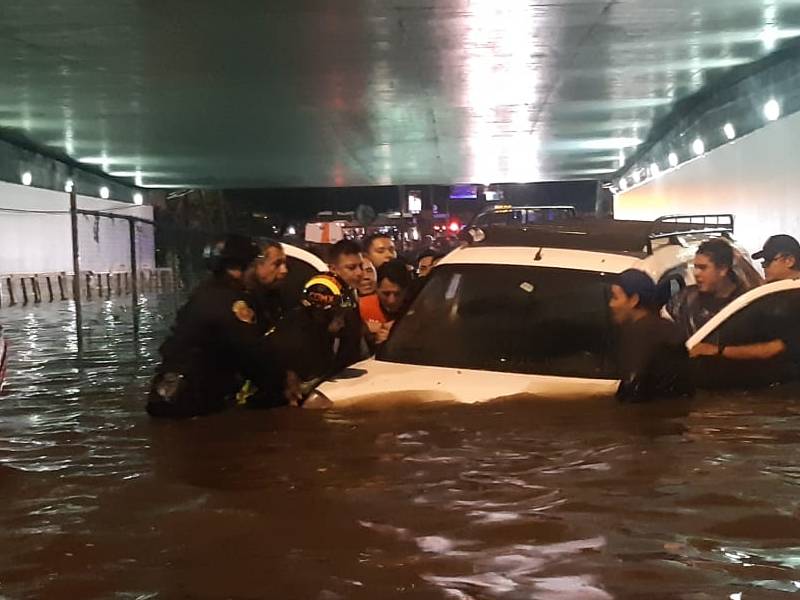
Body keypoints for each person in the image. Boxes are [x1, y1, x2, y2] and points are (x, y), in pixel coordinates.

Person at [147, 234, 296, 418]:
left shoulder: (208, 293)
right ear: (236, 269)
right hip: (189, 403)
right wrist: (284, 385)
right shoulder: (231, 303)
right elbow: (254, 354)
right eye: (253, 265)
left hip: (169, 395)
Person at [689, 234, 800, 368]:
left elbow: (777, 347)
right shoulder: (778, 292)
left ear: (789, 261)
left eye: (767, 261)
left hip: (782, 382)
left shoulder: (792, 298)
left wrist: (718, 351)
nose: (764, 267)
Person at [609, 269, 692, 402]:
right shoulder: (667, 329)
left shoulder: (640, 334)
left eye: (615, 297)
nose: (611, 304)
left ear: (633, 300)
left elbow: (633, 388)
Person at [266, 273, 352, 391]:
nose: (342, 324)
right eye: (338, 317)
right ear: (322, 316)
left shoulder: (316, 333)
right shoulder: (295, 341)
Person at [666, 238, 746, 338]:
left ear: (722, 269)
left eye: (703, 268)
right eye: (695, 267)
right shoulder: (684, 299)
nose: (695, 273)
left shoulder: (745, 304)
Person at [328, 239, 367, 369]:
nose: (360, 273)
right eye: (351, 268)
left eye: (361, 266)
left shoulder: (351, 292)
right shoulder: (325, 300)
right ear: (333, 269)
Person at [360, 259, 413, 347]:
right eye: (386, 294)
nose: (391, 300)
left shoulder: (418, 311)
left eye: (397, 294)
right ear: (376, 288)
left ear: (406, 291)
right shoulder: (361, 308)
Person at [245, 239, 288, 330]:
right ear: (256, 265)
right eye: (277, 264)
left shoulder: (273, 297)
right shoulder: (243, 302)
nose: (284, 270)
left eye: (284, 264)